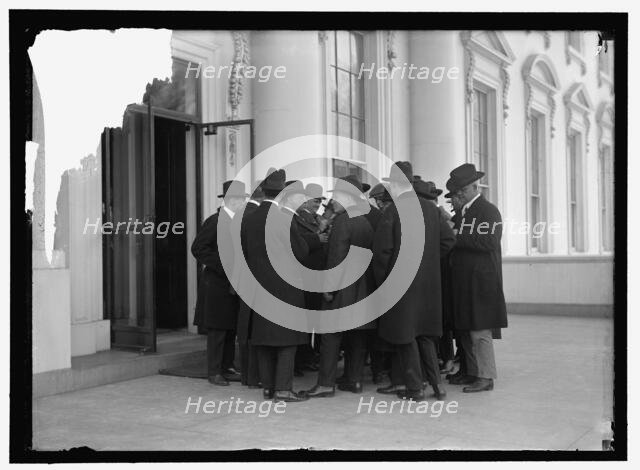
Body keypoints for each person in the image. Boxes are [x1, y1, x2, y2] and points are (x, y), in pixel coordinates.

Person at [372, 161, 455, 401]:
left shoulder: (392, 211)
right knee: (426, 336)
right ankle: (438, 387)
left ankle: (415, 388)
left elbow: (382, 253)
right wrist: (428, 261)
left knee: (406, 336)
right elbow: (448, 241)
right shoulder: (431, 209)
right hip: (429, 286)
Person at [305, 175, 376, 397]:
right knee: (357, 337)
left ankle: (326, 384)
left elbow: (336, 258)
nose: (333, 200)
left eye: (336, 195)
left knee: (330, 336)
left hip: (343, 289)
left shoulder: (343, 221)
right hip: (362, 288)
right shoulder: (363, 219)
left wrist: (328, 289)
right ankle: (353, 380)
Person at [244, 171, 310, 402]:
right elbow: (301, 251)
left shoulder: (249, 218)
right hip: (285, 287)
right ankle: (283, 389)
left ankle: (268, 388)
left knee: (264, 338)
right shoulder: (283, 218)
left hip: (259, 286)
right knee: (287, 340)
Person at [447, 163, 508, 393]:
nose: (458, 194)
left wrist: (456, 236)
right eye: (457, 191)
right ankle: (473, 372)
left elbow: (489, 242)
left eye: (462, 190)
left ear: (475, 186)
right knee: (467, 328)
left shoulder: (488, 211)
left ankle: (486, 377)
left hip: (481, 281)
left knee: (480, 331)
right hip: (467, 281)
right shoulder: (465, 211)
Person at [191, 180, 248, 386]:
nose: (243, 202)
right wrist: (223, 266)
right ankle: (214, 371)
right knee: (218, 329)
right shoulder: (215, 221)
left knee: (230, 326)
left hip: (234, 285)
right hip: (217, 284)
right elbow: (198, 248)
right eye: (240, 199)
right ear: (230, 200)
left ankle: (227, 367)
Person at [236, 170, 274, 389]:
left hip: (247, 280)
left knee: (247, 329)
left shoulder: (244, 216)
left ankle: (249, 377)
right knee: (256, 330)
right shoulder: (258, 217)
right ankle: (255, 376)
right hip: (261, 280)